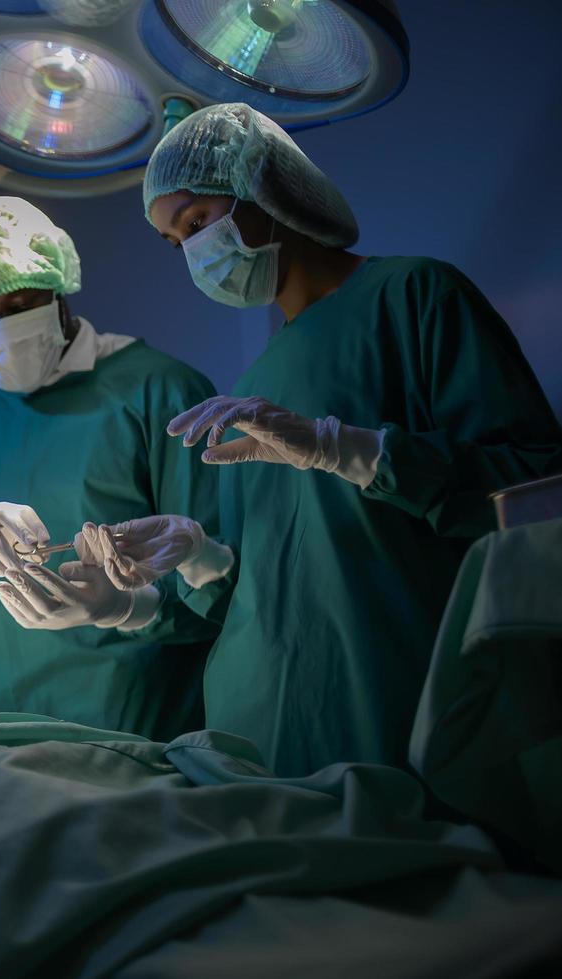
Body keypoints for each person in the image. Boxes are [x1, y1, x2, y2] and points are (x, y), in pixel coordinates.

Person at [31, 102, 562, 777]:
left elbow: (534, 499)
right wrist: (193, 563)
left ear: (266, 189)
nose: (192, 251)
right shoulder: (250, 385)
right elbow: (269, 593)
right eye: (174, 242)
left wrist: (359, 453)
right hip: (259, 737)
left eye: (196, 222)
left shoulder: (413, 295)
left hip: (398, 713)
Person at [0, 196, 220, 738]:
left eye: (20, 304)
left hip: (127, 739)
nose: (2, 328)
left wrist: (127, 605)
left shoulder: (160, 392)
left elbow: (221, 589)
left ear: (59, 292)